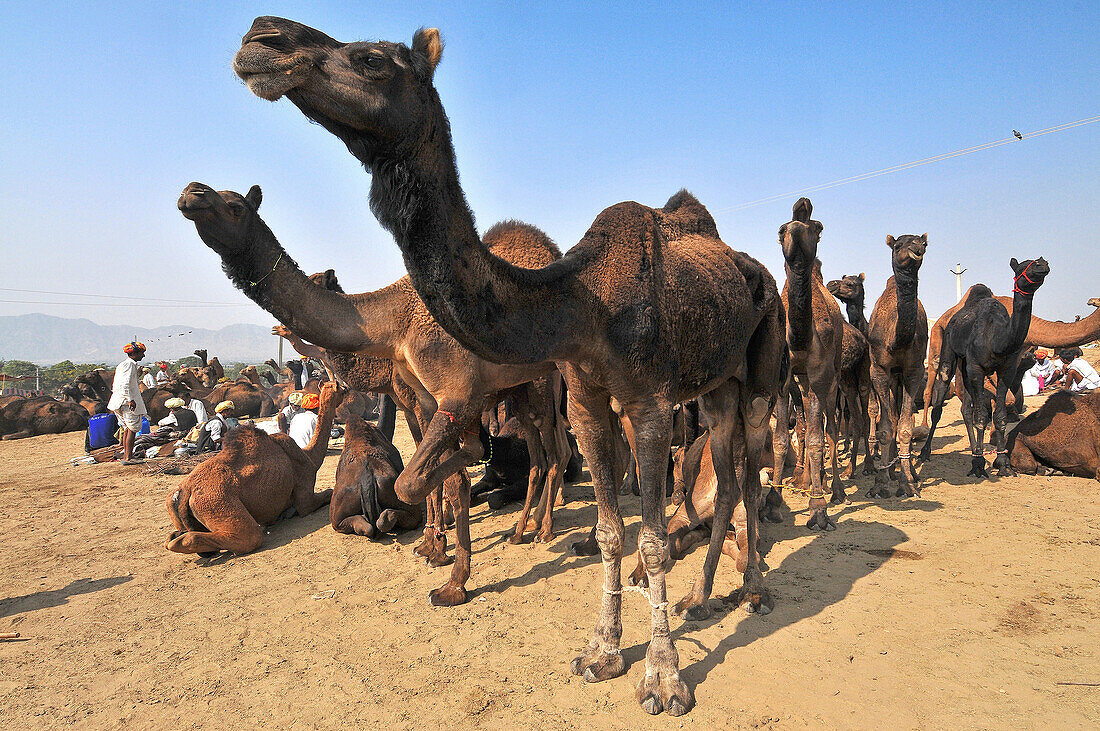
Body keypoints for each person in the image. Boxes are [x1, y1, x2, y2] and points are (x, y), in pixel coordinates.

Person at [107, 341, 148, 464]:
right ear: (135, 353)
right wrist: (130, 399)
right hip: (126, 402)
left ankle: (127, 455)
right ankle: (128, 458)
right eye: (142, 353)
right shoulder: (129, 365)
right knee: (132, 428)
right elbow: (125, 384)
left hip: (120, 400)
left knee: (126, 428)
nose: (143, 356)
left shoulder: (124, 365)